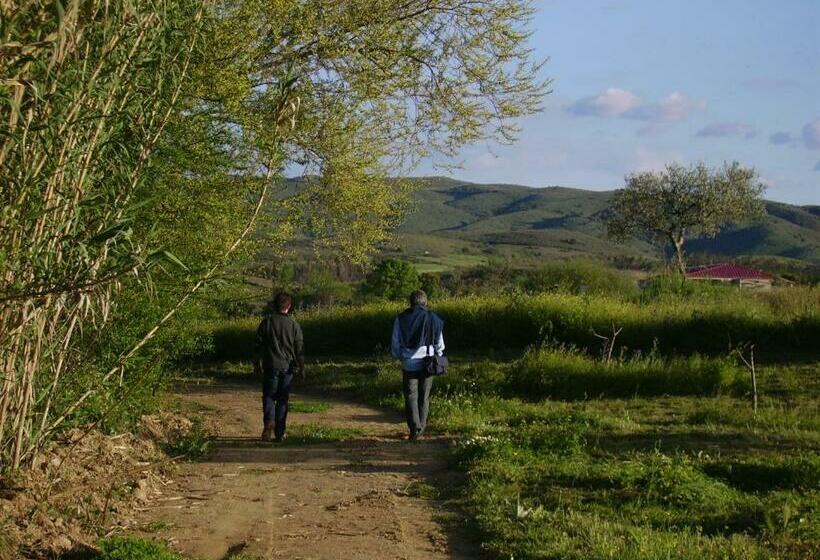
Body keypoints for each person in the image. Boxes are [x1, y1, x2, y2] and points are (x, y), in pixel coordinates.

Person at [390, 290, 445, 440]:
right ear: (425, 302)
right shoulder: (433, 317)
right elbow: (439, 344)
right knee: (424, 397)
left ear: (411, 302)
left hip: (409, 363)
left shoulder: (401, 318)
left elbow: (395, 342)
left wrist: (399, 356)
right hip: (428, 363)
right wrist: (438, 355)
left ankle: (415, 429)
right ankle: (421, 428)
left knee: (411, 397)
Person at [254, 292, 304, 442]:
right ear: (288, 306)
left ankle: (269, 422)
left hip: (270, 366)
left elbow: (257, 346)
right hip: (287, 368)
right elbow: (299, 348)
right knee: (283, 400)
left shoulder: (266, 323)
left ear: (275, 306)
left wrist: (256, 365)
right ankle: (280, 433)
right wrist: (302, 368)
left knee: (269, 396)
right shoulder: (294, 325)